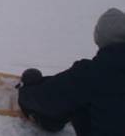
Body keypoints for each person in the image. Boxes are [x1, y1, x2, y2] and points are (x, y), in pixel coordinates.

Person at [16, 7, 125, 135]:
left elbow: (47, 98)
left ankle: (50, 121)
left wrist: (25, 92)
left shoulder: (92, 74)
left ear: (99, 37)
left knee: (73, 98)